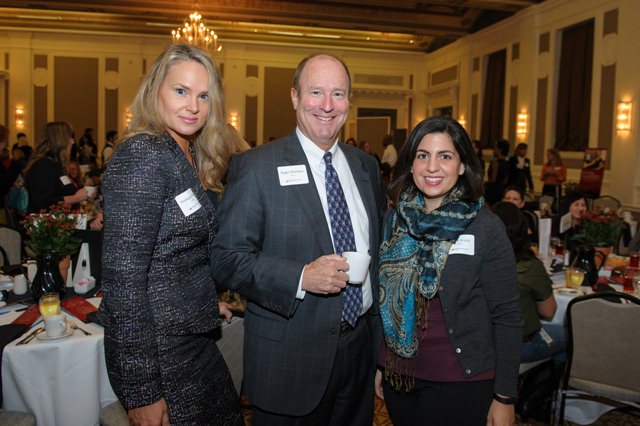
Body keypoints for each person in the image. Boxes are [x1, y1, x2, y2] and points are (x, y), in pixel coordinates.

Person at [211, 53, 386, 425]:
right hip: (289, 360)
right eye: (316, 92)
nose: (327, 105)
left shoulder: (365, 166)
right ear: (294, 97)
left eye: (338, 94)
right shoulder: (256, 167)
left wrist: (380, 351)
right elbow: (226, 258)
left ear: (348, 102)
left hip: (359, 351)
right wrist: (300, 278)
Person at [99, 43, 242, 425]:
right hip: (158, 355)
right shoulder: (143, 155)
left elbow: (176, 255)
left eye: (203, 96)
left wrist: (202, 304)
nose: (193, 105)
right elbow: (123, 285)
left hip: (190, 338)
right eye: (181, 91)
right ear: (155, 91)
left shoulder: (184, 153)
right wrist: (142, 391)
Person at [374, 116, 522, 426]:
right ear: (410, 164)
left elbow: (507, 316)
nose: (432, 167)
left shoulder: (485, 227)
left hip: (461, 382)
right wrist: (381, 363)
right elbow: (384, 300)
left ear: (463, 165)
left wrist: (505, 396)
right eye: (422, 155)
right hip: (401, 376)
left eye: (445, 156)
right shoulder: (395, 220)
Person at [491, 201, 566, 365]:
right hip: (517, 346)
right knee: (570, 335)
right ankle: (548, 386)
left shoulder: (475, 261)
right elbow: (549, 312)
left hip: (481, 345)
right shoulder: (530, 267)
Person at [24, 121, 92, 213]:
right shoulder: (43, 165)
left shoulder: (55, 164)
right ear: (59, 141)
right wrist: (75, 198)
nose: (72, 142)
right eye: (70, 138)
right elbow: (43, 202)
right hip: (46, 225)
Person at [484, 138, 510, 206]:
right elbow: (505, 181)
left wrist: (484, 184)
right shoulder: (507, 163)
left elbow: (493, 180)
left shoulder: (495, 162)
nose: (494, 150)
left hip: (492, 191)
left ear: (500, 149)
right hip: (502, 190)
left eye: (495, 147)